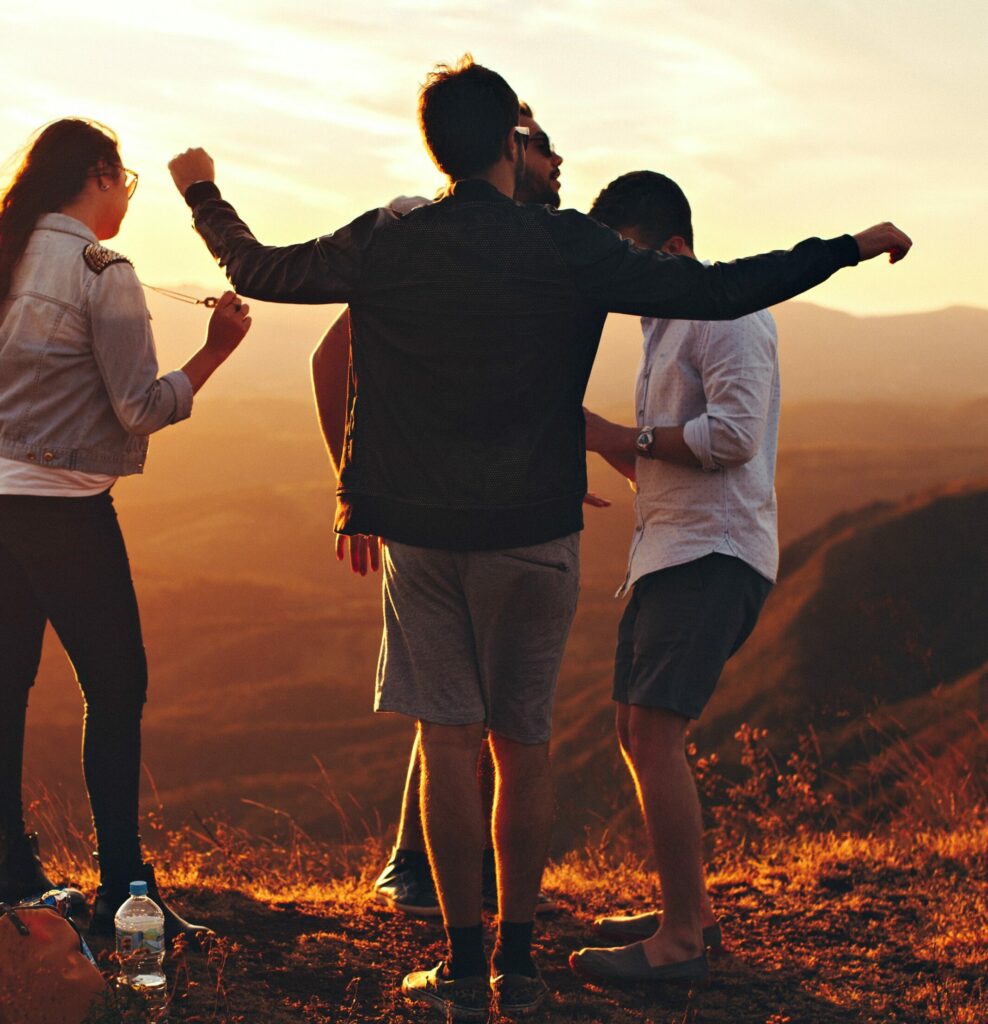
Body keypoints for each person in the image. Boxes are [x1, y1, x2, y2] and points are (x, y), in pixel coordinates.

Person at [167, 54, 909, 1020]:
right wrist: (845, 247)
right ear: (512, 148)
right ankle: (519, 963)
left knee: (448, 742)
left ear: (439, 145)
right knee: (525, 747)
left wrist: (201, 194)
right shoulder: (564, 247)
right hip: (537, 531)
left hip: (425, 535)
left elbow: (263, 270)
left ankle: (464, 969)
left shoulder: (390, 241)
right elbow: (724, 288)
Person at [311, 100, 566, 921]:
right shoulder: (420, 232)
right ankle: (423, 872)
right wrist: (357, 487)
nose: (561, 165)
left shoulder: (518, 251)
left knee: (465, 707)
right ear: (506, 149)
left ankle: (448, 888)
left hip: (485, 503)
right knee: (457, 709)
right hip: (434, 510)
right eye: (544, 146)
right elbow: (331, 355)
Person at [0, 118, 251, 945]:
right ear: (101, 175)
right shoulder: (100, 271)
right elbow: (140, 407)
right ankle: (124, 893)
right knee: (116, 689)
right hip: (66, 510)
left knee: (7, 688)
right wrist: (215, 351)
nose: (125, 202)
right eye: (126, 184)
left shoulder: (7, 253)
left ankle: (10, 874)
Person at [567, 170, 789, 985]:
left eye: (623, 256)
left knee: (655, 734)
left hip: (714, 554)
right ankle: (685, 911)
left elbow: (730, 437)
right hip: (670, 550)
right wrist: (598, 443)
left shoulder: (724, 314)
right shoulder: (664, 324)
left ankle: (680, 945)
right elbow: (667, 456)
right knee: (635, 730)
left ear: (671, 247)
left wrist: (622, 432)